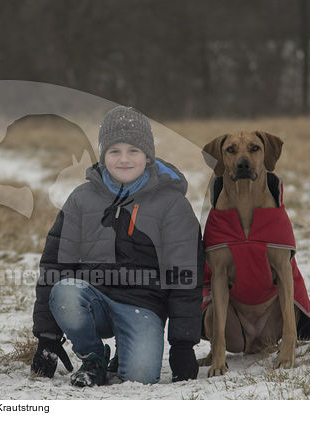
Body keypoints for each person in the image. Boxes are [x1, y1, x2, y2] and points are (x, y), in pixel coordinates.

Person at [31, 106, 204, 386]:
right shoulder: (81, 199)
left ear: (148, 156)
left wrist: (183, 344)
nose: (124, 159)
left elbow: (186, 273)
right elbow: (55, 264)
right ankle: (93, 358)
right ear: (103, 156)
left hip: (143, 305)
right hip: (93, 297)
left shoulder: (172, 204)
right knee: (65, 292)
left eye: (133, 151)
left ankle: (126, 352)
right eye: (114, 151)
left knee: (139, 377)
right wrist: (48, 338)